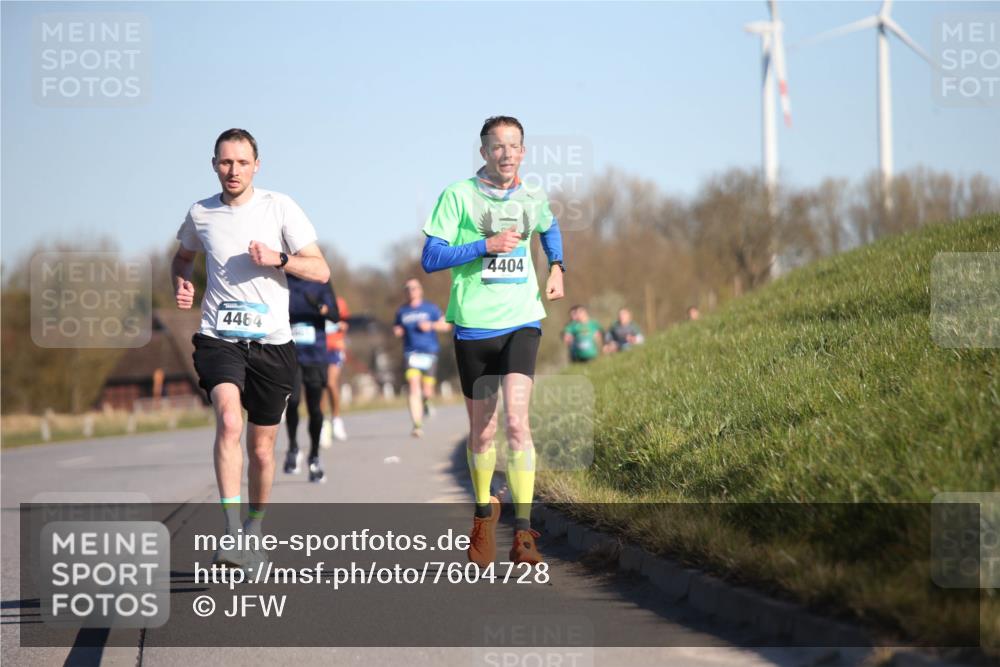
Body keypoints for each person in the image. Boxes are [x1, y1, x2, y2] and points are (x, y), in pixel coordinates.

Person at [172, 128, 330, 568]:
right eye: (225, 162)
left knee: (262, 450)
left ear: (256, 165)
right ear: (214, 165)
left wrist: (279, 259)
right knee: (227, 422)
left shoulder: (280, 207)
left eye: (241, 162)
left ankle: (254, 529)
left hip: (273, 344)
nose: (233, 170)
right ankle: (230, 534)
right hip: (219, 336)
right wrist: (181, 282)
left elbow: (320, 270)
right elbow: (182, 258)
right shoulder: (200, 213)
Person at [421, 115, 564, 566]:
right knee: (483, 431)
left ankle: (523, 535)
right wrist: (484, 246)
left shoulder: (533, 195)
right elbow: (430, 257)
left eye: (514, 146)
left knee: (518, 424)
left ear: (523, 152)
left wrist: (557, 266)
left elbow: (549, 226)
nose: (506, 154)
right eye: (496, 146)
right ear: (484, 152)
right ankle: (484, 516)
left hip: (523, 321)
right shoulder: (458, 196)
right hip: (474, 328)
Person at [284, 274, 339, 482]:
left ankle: (315, 455)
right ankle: (292, 448)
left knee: (315, 409)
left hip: (315, 354)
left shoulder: (320, 278)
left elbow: (335, 315)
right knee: (293, 401)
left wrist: (321, 307)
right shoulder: (281, 277)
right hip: (289, 353)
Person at [393, 278, 450, 437]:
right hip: (411, 353)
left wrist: (431, 326)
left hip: (430, 352)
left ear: (420, 290)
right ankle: (417, 425)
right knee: (413, 385)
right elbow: (397, 326)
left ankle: (426, 401)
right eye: (408, 288)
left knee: (427, 390)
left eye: (414, 288)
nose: (411, 291)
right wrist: (397, 330)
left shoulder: (430, 308)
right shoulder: (401, 311)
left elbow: (446, 325)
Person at [320, 294, 350, 444]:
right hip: (318, 348)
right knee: (320, 385)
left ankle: (336, 419)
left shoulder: (339, 302)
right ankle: (322, 423)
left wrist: (342, 328)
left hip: (335, 348)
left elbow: (345, 322)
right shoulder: (312, 302)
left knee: (331, 383)